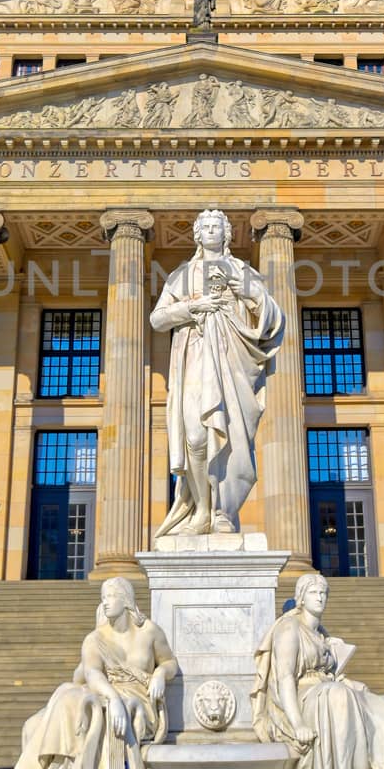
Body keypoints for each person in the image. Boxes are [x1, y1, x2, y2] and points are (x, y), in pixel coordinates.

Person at [5, 577, 177, 769]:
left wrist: (160, 675)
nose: (104, 602)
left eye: (110, 596)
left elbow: (169, 662)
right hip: (108, 694)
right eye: (103, 597)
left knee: (72, 699)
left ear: (126, 599)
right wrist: (114, 699)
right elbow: (93, 675)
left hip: (139, 701)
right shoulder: (95, 638)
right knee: (52, 709)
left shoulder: (149, 631)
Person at [150, 209, 283, 536]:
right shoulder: (181, 275)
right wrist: (192, 307)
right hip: (194, 355)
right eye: (205, 227)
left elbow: (273, 317)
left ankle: (223, 512)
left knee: (232, 438)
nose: (210, 231)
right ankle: (202, 511)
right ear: (197, 235)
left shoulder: (243, 271)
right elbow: (157, 320)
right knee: (196, 436)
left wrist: (247, 291)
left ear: (226, 234)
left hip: (232, 361)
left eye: (216, 227)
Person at [252, 573, 384, 769]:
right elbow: (285, 679)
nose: (320, 598)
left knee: (383, 706)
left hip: (327, 689)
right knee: (338, 697)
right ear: (300, 597)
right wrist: (298, 723)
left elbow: (331, 674)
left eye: (323, 593)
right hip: (301, 698)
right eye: (313, 592)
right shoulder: (289, 628)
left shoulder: (321, 632)